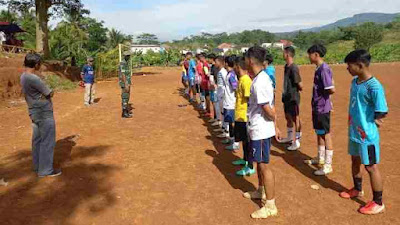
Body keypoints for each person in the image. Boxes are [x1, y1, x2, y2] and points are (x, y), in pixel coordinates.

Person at [339, 49, 388, 215]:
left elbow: (382, 110)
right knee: (355, 160)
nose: (347, 68)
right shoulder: (355, 81)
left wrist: (371, 123)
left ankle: (378, 202)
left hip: (367, 135)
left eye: (349, 65)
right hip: (354, 132)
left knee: (371, 167)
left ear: (359, 65)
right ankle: (357, 189)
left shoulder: (374, 86)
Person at [242, 46, 278, 219]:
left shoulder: (260, 81)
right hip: (257, 128)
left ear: (250, 60)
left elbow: (267, 108)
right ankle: (260, 190)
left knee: (264, 166)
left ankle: (270, 205)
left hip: (262, 130)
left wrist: (274, 121)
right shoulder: (259, 78)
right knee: (259, 163)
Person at [20, 53, 62, 178]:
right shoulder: (34, 78)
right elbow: (49, 93)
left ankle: (38, 166)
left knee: (37, 139)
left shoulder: (23, 76)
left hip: (33, 110)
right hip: (43, 111)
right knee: (47, 140)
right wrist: (50, 91)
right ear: (36, 64)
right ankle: (45, 170)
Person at [304, 44, 336, 175]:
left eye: (310, 54)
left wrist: (326, 101)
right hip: (318, 107)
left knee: (326, 134)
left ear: (316, 54)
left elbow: (331, 88)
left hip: (323, 108)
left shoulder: (324, 69)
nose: (308, 57)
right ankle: (320, 158)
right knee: (319, 132)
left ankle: (328, 164)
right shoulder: (318, 69)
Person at [228, 56, 255, 176]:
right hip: (239, 115)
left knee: (248, 142)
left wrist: (249, 116)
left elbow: (250, 99)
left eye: (236, 67)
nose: (235, 69)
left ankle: (250, 166)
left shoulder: (246, 80)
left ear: (239, 67)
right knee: (244, 140)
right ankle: (244, 160)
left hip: (244, 116)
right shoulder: (242, 79)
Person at [281, 46, 303, 151]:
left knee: (296, 118)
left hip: (293, 97)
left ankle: (297, 141)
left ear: (288, 54)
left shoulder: (294, 68)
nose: (282, 54)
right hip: (286, 97)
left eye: (284, 53)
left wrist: (295, 90)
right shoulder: (286, 66)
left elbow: (300, 84)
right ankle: (289, 138)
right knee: (288, 117)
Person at [217, 55, 237, 145]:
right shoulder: (230, 74)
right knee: (229, 121)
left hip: (231, 102)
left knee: (232, 122)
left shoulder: (231, 75)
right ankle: (231, 138)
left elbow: (235, 88)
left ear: (226, 63)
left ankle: (234, 142)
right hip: (228, 101)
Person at [212, 56, 227, 132]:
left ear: (220, 62)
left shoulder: (223, 72)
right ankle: (223, 128)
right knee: (222, 111)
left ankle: (225, 130)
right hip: (220, 93)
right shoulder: (220, 71)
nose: (215, 63)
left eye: (216, 62)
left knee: (224, 112)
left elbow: (226, 83)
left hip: (223, 94)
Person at [119, 52, 133, 118]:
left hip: (127, 82)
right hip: (124, 83)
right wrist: (126, 84)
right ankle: (124, 113)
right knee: (125, 96)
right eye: (127, 56)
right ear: (124, 56)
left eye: (129, 56)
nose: (128, 57)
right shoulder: (123, 63)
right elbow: (123, 74)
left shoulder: (127, 63)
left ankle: (126, 110)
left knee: (127, 96)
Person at [208, 54, 220, 124]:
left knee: (216, 103)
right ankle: (216, 117)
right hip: (212, 86)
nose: (208, 60)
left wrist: (215, 85)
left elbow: (216, 78)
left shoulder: (216, 68)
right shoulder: (212, 67)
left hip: (215, 87)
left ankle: (218, 119)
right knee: (214, 102)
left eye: (209, 59)